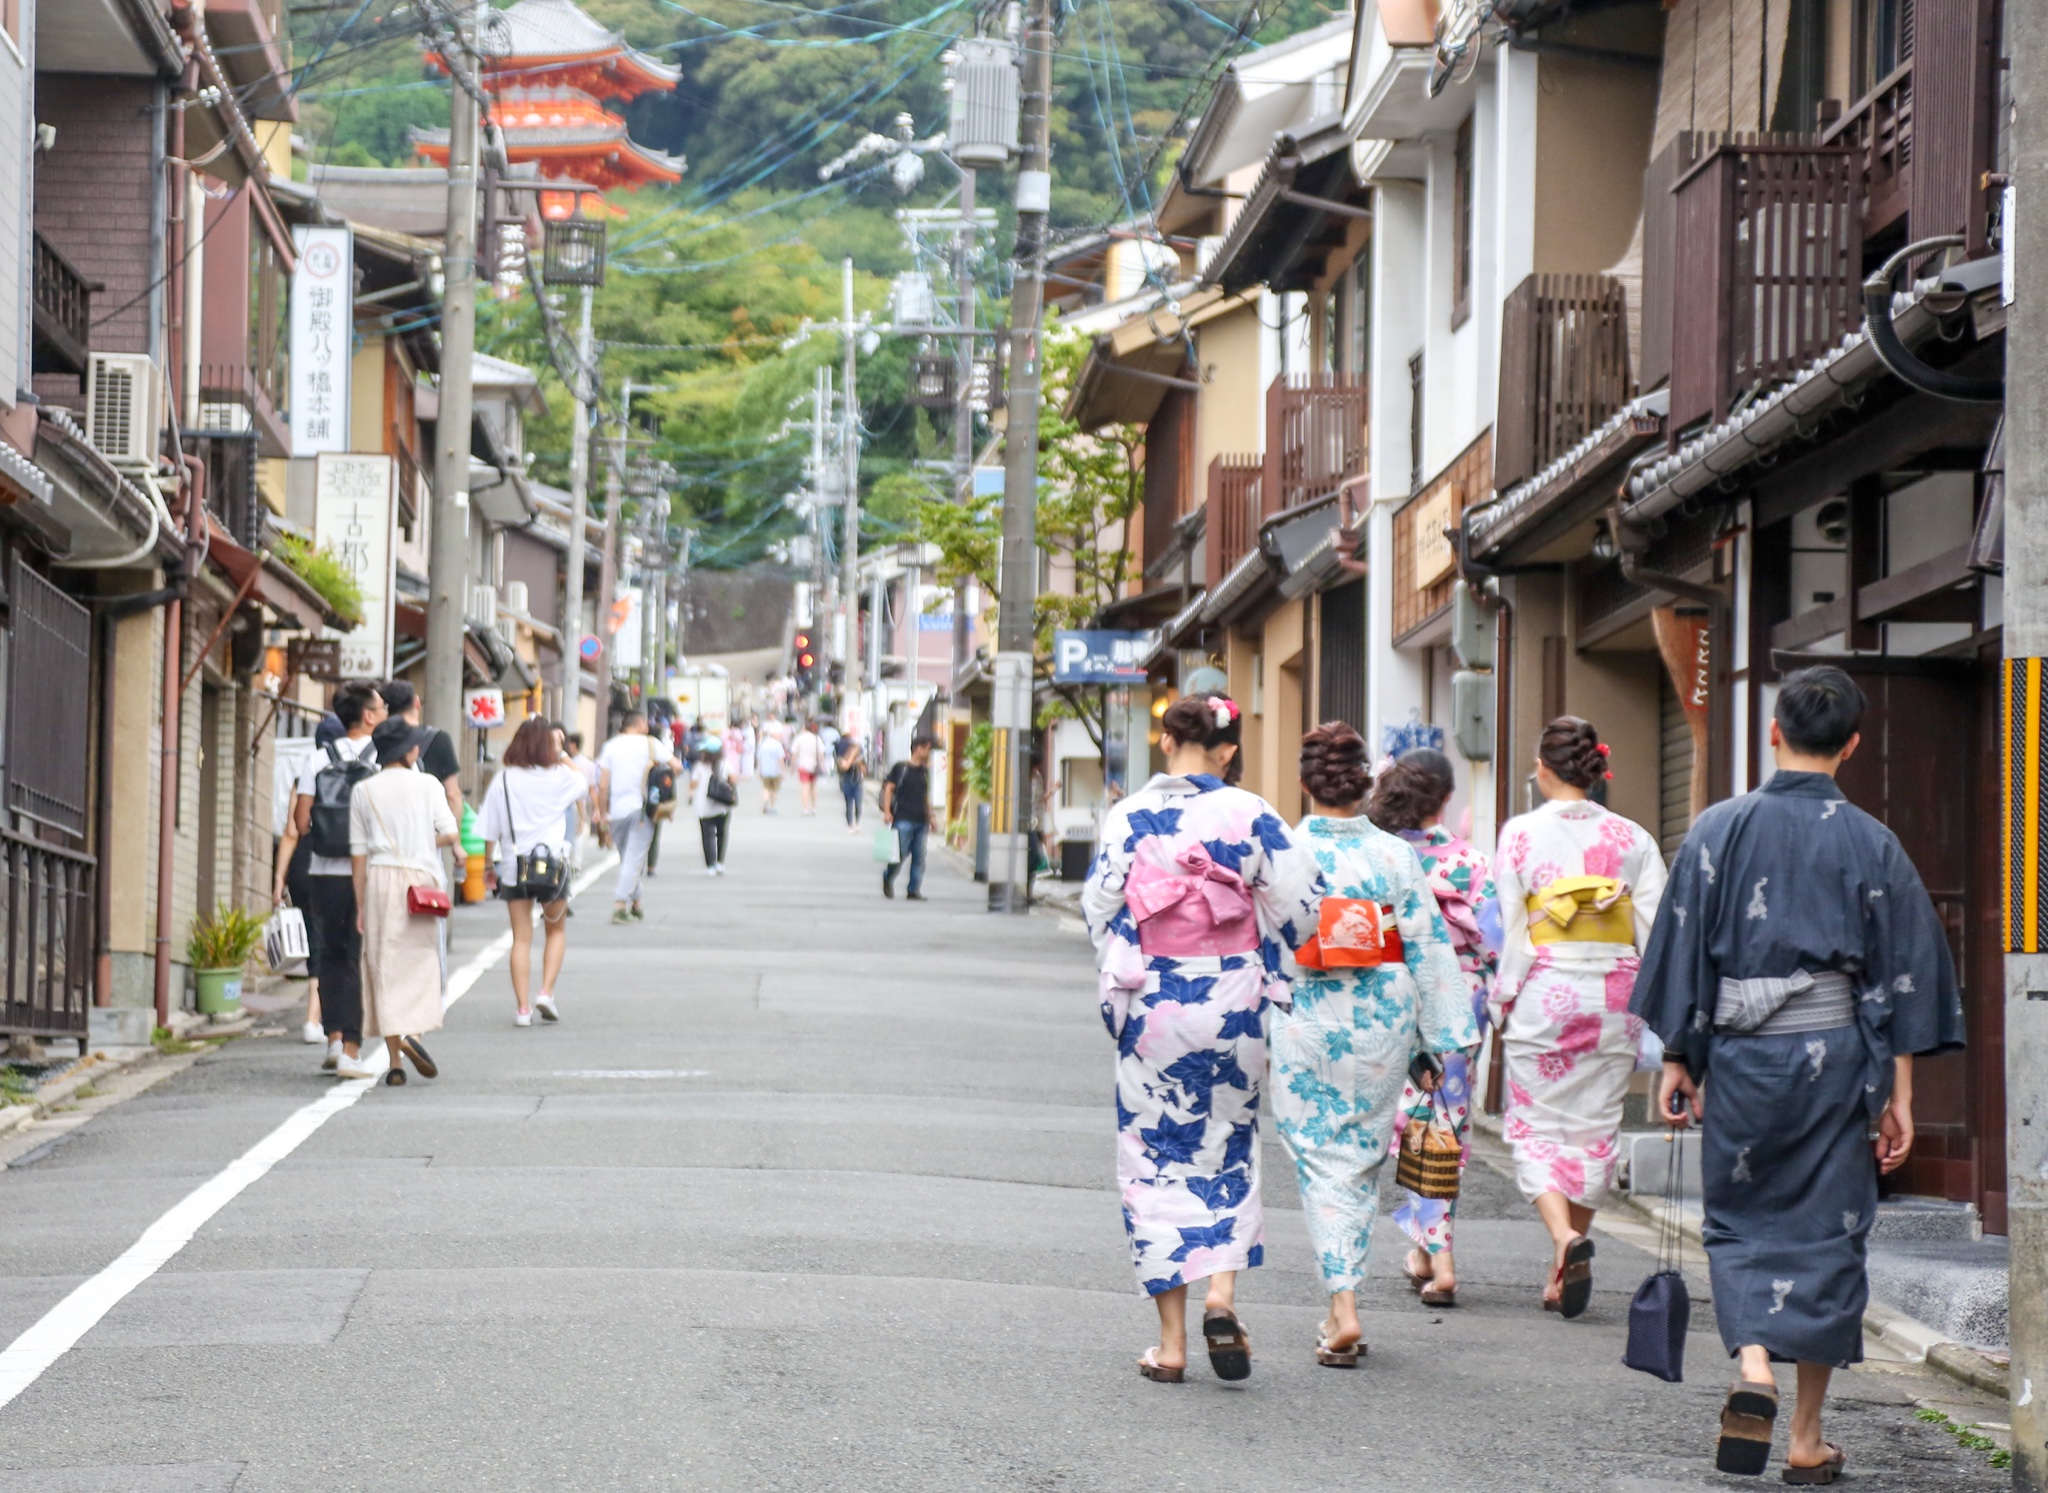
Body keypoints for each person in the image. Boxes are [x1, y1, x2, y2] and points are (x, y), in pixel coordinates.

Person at [1633, 667, 1963, 1483]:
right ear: (1852, 745)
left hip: (1743, 1062)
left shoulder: (1717, 828)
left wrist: (1678, 1056)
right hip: (1837, 1063)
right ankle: (1807, 1437)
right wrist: (1900, 1096)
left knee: (1741, 1217)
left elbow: (1682, 948)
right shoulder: (1873, 843)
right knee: (1827, 1230)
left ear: (1773, 731)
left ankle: (1752, 1368)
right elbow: (1903, 976)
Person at [1081, 694, 1322, 1384]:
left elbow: (1098, 905)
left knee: (1153, 1157)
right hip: (1234, 1001)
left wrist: (1136, 945)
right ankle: (1223, 1293)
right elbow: (1303, 906)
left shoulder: (1129, 816)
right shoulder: (1251, 812)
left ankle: (1173, 1341)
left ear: (1165, 742)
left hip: (1157, 999)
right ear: (1228, 751)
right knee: (1228, 1143)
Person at [1273, 724, 1474, 1364]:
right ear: (1364, 782)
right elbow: (1426, 946)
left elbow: (1264, 943)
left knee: (1317, 1159)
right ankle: (1342, 1303)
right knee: (1358, 1161)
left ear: (1306, 781)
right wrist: (1436, 1038)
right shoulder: (1395, 856)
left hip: (1308, 1012)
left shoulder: (1284, 851)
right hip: (1384, 1012)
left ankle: (1344, 1305)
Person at [1491, 716, 1666, 1316]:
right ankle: (1563, 1269)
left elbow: (1513, 927)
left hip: (1549, 986)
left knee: (1536, 1125)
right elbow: (1657, 928)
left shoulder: (1521, 834)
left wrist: (1502, 996)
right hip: (1616, 992)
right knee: (1595, 1127)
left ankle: (1566, 1239)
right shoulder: (1633, 837)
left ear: (1543, 769)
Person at [1367, 747, 1502, 1306]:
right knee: (1444, 1123)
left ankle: (1439, 1259)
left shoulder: (1381, 858)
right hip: (1458, 998)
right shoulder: (1469, 863)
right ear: (1446, 799)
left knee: (1414, 1125)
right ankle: (1429, 1251)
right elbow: (1494, 945)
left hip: (1396, 994)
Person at [273, 680, 385, 1078]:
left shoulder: (318, 760)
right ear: (368, 716)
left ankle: (334, 1038)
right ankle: (353, 1050)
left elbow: (301, 822)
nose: (385, 712)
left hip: (322, 873)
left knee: (330, 957)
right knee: (359, 959)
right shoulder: (384, 759)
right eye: (381, 707)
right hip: (368, 875)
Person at [350, 716, 459, 1087]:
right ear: (409, 750)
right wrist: (423, 843)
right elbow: (449, 832)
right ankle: (416, 1036)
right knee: (422, 963)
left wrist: (361, 904)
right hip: (420, 882)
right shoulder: (428, 785)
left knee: (384, 966)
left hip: (379, 880)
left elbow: (358, 853)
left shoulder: (363, 791)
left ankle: (395, 1062)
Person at [481, 717, 591, 1026]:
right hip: (553, 867)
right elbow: (583, 782)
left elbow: (490, 828)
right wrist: (563, 754)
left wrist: (489, 865)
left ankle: (522, 1009)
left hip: (515, 866)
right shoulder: (560, 777)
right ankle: (546, 992)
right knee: (555, 930)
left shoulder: (503, 780)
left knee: (521, 938)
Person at [594, 710, 673, 924]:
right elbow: (675, 766)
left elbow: (602, 785)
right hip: (642, 809)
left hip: (617, 812)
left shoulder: (610, 747)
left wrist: (602, 813)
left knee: (629, 859)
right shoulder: (650, 745)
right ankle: (620, 906)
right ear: (640, 725)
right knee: (633, 859)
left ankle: (637, 904)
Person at [377, 679, 463, 822]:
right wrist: (455, 841)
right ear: (416, 702)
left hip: (385, 828)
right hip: (427, 832)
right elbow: (453, 794)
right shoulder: (440, 738)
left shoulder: (378, 738)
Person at [880, 735, 939, 900]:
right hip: (903, 817)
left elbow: (925, 796)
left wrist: (931, 818)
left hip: (921, 820)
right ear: (919, 749)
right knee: (900, 854)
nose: (928, 752)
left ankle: (913, 889)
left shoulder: (924, 771)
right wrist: (887, 811)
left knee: (919, 857)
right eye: (927, 749)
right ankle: (888, 876)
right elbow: (889, 788)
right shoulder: (901, 768)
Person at [690, 745, 733, 875]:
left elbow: (693, 784)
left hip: (704, 806)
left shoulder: (699, 767)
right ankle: (720, 862)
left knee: (707, 836)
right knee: (722, 834)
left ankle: (710, 864)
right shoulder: (725, 765)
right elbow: (733, 779)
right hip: (722, 805)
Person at [790, 719, 824, 816]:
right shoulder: (817, 738)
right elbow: (821, 754)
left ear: (805, 727)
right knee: (813, 787)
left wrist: (792, 766)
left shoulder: (800, 738)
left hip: (803, 766)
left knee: (805, 787)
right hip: (815, 766)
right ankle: (814, 808)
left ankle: (805, 808)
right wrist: (821, 764)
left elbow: (794, 754)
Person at [835, 732, 866, 832]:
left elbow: (865, 772)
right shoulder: (841, 759)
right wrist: (850, 759)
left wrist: (859, 763)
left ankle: (857, 822)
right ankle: (850, 825)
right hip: (847, 782)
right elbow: (843, 767)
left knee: (858, 804)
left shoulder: (860, 759)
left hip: (858, 782)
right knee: (849, 805)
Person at [757, 727, 786, 814]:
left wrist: (759, 771)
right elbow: (781, 760)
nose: (780, 736)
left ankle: (766, 801)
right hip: (775, 771)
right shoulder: (778, 745)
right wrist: (783, 772)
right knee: (775, 789)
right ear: (774, 735)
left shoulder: (763, 744)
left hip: (765, 770)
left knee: (766, 788)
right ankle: (772, 806)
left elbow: (759, 758)